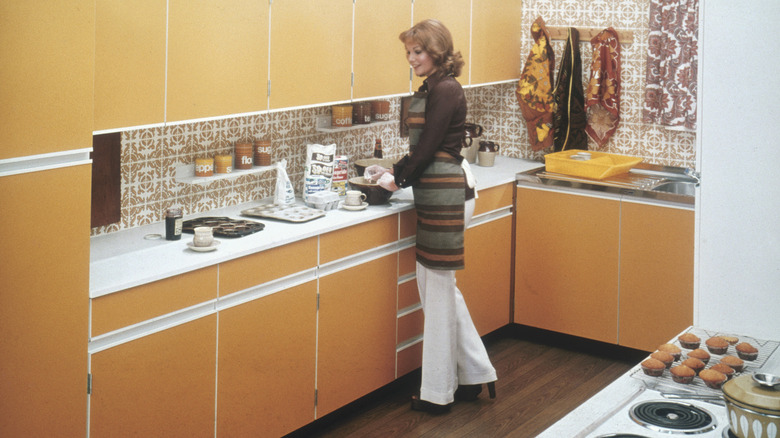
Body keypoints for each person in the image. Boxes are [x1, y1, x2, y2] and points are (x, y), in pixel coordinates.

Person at [366, 19, 497, 414]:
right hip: (440, 192)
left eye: (417, 52)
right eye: (408, 52)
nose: (411, 59)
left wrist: (396, 178)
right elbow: (424, 150)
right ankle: (477, 372)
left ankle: (437, 394)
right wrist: (391, 169)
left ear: (437, 51)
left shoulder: (446, 89)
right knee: (441, 290)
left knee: (436, 295)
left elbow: (426, 149)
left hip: (448, 195)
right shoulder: (435, 87)